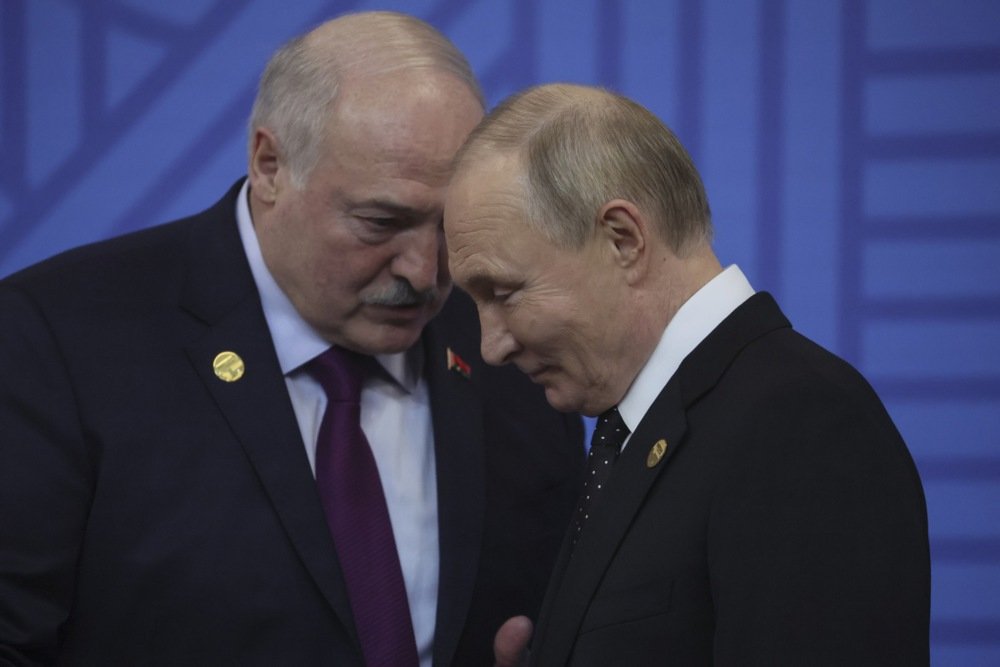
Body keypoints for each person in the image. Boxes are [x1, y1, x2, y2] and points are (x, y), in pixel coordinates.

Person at [0, 14, 583, 666]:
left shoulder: (511, 351)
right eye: (380, 221)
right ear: (269, 164)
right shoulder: (57, 339)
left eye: (449, 224)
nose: (425, 270)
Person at [444, 83, 930, 666]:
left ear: (623, 239)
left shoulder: (801, 424)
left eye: (503, 292)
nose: (490, 346)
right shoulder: (636, 432)